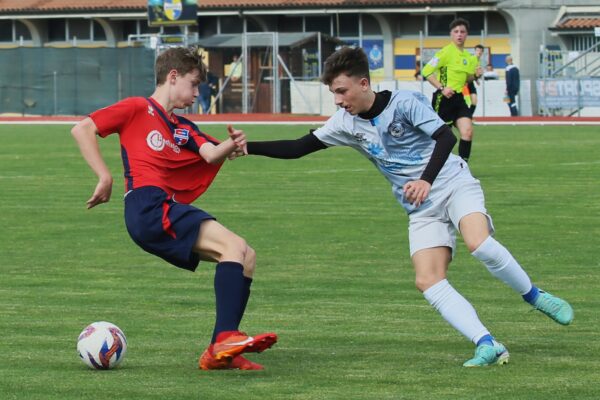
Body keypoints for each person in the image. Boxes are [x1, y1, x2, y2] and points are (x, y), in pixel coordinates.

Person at [238, 47, 573, 367]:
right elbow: (299, 147)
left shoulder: (405, 103)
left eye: (342, 91)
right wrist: (246, 147)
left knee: (479, 244)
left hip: (453, 184)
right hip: (420, 207)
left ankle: (534, 296)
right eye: (334, 94)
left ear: (363, 83)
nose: (338, 101)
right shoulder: (344, 122)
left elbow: (446, 138)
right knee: (427, 280)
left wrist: (426, 179)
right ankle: (487, 343)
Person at [71, 46, 277, 371]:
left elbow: (209, 153)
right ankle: (225, 338)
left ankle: (220, 352)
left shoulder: (182, 127)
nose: (196, 93)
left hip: (160, 208)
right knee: (233, 246)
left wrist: (232, 145)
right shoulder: (138, 107)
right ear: (172, 76)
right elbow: (82, 128)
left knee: (244, 255)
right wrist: (104, 176)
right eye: (194, 84)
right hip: (147, 206)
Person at [422, 18, 482, 163]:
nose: (459, 34)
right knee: (443, 138)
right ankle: (430, 166)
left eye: (462, 32)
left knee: (467, 132)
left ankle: (462, 167)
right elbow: (426, 71)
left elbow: (466, 79)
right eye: (456, 32)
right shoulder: (445, 52)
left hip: (459, 98)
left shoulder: (467, 57)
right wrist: (442, 88)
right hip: (443, 99)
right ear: (451, 34)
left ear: (467, 34)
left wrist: (474, 76)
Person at [464, 44, 484, 117]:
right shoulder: (472, 59)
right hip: (465, 82)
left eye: (481, 51)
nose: (479, 52)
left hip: (470, 82)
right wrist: (465, 81)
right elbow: (466, 70)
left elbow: (474, 72)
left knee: (474, 101)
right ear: (475, 51)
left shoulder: (478, 61)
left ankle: (469, 117)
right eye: (478, 50)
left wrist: (476, 80)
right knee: (465, 102)